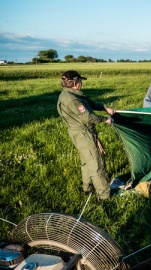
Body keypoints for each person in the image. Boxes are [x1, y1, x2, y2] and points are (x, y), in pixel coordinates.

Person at [57, 70, 115, 201]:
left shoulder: (71, 94)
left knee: (87, 161)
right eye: (80, 81)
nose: (81, 83)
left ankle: (87, 188)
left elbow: (89, 103)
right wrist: (105, 119)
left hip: (80, 133)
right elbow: (88, 117)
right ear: (75, 83)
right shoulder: (72, 99)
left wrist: (104, 107)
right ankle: (104, 196)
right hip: (83, 133)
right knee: (96, 163)